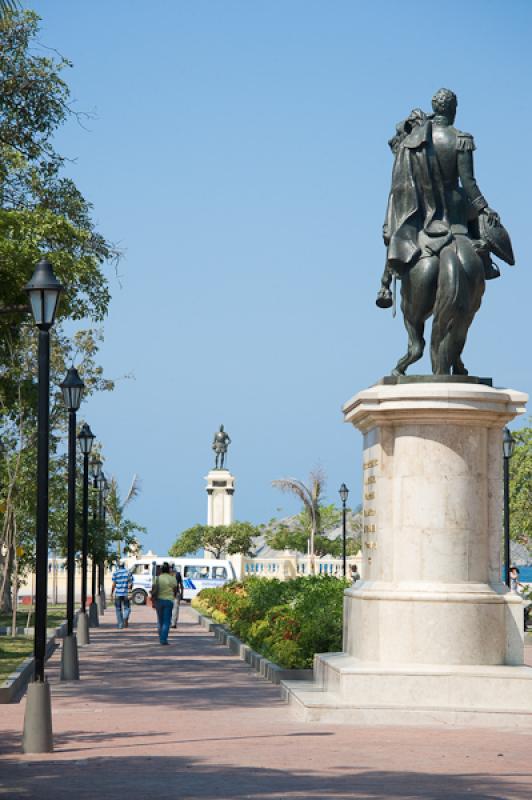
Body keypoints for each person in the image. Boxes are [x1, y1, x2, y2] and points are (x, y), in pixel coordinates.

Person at [151, 562, 177, 645]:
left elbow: (153, 589)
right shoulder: (172, 578)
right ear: (169, 569)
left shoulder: (157, 578)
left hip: (159, 601)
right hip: (169, 601)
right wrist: (173, 596)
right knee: (167, 621)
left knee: (160, 620)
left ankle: (161, 636)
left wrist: (153, 600)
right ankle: (163, 639)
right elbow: (175, 589)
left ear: (161, 569)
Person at [111, 560, 133, 629]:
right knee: (127, 608)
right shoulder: (128, 572)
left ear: (118, 566)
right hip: (126, 593)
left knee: (118, 609)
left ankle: (120, 625)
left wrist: (111, 593)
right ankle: (125, 617)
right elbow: (131, 583)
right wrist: (130, 590)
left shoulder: (115, 573)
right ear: (124, 565)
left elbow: (114, 584)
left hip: (118, 593)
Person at [509, 566, 532, 631]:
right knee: (524, 608)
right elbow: (514, 577)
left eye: (515, 571)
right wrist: (516, 574)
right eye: (514, 571)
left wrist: (523, 586)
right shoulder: (510, 575)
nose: (515, 572)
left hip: (515, 594)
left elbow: (517, 581)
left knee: (525, 609)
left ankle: (524, 625)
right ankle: (523, 625)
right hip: (512, 594)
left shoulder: (513, 576)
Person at [171, 564, 184, 629]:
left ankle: (170, 622)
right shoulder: (178, 574)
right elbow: (181, 585)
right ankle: (173, 623)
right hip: (176, 594)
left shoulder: (166, 574)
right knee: (175, 608)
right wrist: (182, 594)